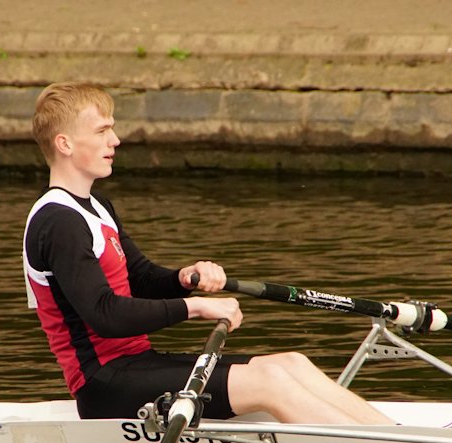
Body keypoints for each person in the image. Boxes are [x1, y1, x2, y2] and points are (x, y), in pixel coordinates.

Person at [23, 82, 394, 425]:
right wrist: (197, 307)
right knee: (268, 381)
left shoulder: (96, 207)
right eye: (102, 131)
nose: (116, 140)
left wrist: (184, 278)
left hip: (138, 365)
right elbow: (104, 315)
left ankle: (398, 435)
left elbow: (140, 277)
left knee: (291, 363)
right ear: (65, 144)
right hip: (105, 385)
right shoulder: (58, 222)